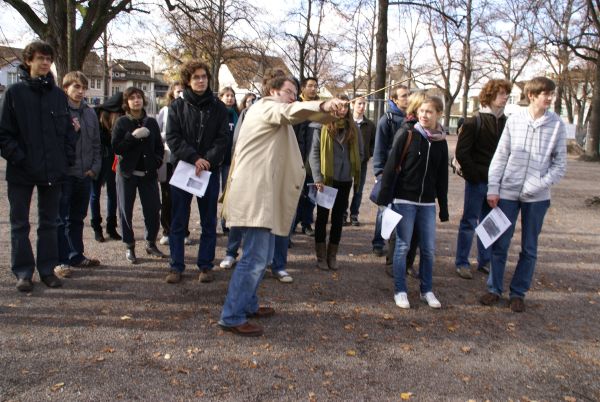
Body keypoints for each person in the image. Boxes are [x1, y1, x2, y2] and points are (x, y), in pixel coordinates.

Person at [218, 74, 346, 337]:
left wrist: (329, 111)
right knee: (254, 259)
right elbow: (292, 111)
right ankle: (231, 316)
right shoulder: (266, 107)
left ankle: (248, 304)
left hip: (260, 195)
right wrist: (322, 105)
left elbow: (295, 113)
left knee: (260, 257)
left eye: (294, 92)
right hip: (255, 196)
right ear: (272, 90)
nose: (292, 96)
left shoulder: (274, 113)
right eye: (288, 91)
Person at [479, 77, 566, 313]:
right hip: (507, 193)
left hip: (537, 198)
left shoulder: (557, 124)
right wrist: (494, 188)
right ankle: (494, 288)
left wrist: (537, 185)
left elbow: (559, 166)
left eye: (551, 94)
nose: (549, 98)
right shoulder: (515, 120)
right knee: (500, 243)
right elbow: (500, 156)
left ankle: (518, 292)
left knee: (529, 247)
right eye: (544, 93)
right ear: (532, 95)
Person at [0, 41, 75, 291]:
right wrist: (20, 158)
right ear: (28, 60)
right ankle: (23, 272)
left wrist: (66, 160)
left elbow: (67, 134)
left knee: (49, 223)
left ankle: (46, 270)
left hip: (53, 170)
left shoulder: (57, 96)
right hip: (22, 171)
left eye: (48, 59)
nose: (45, 63)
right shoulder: (14, 94)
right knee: (20, 223)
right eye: (40, 58)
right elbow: (4, 135)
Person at [377, 95, 449, 309]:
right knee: (402, 246)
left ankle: (426, 290)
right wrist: (384, 200)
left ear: (438, 114)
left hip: (427, 203)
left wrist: (443, 207)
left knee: (428, 249)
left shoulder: (441, 142)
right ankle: (400, 290)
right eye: (422, 111)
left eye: (430, 111)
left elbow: (442, 177)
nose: (425, 115)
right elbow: (390, 168)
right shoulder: (407, 133)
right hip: (403, 200)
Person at [164, 60, 229, 284]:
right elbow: (173, 137)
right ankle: (176, 266)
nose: (201, 81)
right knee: (178, 220)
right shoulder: (177, 107)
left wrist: (207, 160)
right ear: (188, 82)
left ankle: (205, 266)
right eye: (196, 78)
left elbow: (223, 139)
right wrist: (194, 158)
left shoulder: (219, 108)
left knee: (208, 221)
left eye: (204, 77)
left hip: (209, 171)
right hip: (184, 169)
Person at [454, 79, 511, 279]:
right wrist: (475, 177)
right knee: (469, 222)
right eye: (502, 93)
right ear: (490, 95)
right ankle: (462, 262)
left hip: (497, 183)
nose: (505, 97)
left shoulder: (507, 122)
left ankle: (484, 261)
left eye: (506, 94)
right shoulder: (473, 121)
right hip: (477, 181)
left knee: (490, 222)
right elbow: (462, 153)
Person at [55, 71, 102, 278]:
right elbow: (54, 144)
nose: (81, 92)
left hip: (85, 174)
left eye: (83, 88)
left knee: (77, 218)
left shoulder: (90, 113)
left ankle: (76, 255)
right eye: (76, 87)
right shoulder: (58, 112)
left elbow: (96, 144)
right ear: (66, 88)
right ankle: (61, 261)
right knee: (62, 218)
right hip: (66, 174)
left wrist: (95, 168)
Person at [112, 87, 166, 264]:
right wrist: (132, 137)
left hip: (148, 174)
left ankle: (150, 243)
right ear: (127, 102)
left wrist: (156, 161)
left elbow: (159, 145)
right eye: (132, 98)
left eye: (139, 97)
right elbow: (116, 147)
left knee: (152, 210)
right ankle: (129, 245)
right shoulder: (121, 123)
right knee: (125, 210)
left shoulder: (151, 122)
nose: (137, 100)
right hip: (127, 174)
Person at [309, 94, 362, 270]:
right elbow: (314, 154)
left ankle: (333, 255)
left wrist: (351, 168)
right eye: (339, 106)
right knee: (322, 218)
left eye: (345, 106)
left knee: (338, 218)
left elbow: (361, 152)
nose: (342, 110)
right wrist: (318, 178)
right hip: (325, 180)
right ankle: (321, 256)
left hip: (345, 180)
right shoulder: (321, 127)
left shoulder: (353, 128)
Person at [372, 85, 410, 256]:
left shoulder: (411, 119)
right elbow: (379, 147)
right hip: (388, 171)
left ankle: (395, 242)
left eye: (408, 95)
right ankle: (378, 243)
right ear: (394, 99)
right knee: (383, 209)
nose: (407, 98)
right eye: (403, 96)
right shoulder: (386, 120)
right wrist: (379, 172)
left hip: (404, 172)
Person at [156, 82, 191, 246]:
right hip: (169, 159)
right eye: (178, 91)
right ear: (172, 93)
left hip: (185, 160)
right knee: (167, 197)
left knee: (185, 199)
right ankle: (167, 230)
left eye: (184, 91)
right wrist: (170, 134)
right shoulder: (165, 110)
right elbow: (158, 134)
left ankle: (184, 231)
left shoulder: (190, 111)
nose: (181, 94)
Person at [90, 92, 123, 243]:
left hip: (112, 159)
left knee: (112, 193)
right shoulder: (98, 116)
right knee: (95, 194)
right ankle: (97, 228)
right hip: (99, 159)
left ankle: (111, 227)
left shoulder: (120, 118)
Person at [293, 76, 321, 237]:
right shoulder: (297, 106)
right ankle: (293, 222)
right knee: (297, 193)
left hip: (313, 157)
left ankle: (307, 222)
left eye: (315, 86)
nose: (313, 89)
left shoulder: (319, 107)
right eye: (310, 86)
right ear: (302, 88)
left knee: (311, 193)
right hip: (298, 155)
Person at [344, 96, 376, 226]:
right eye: (359, 104)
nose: (362, 106)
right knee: (345, 188)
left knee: (358, 190)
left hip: (361, 163)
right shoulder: (346, 123)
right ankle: (342, 213)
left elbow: (374, 143)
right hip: (345, 163)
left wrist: (368, 155)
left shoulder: (370, 125)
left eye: (364, 104)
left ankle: (354, 214)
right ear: (352, 105)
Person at [218, 86, 239, 234]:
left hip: (230, 161)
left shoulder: (237, 115)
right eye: (226, 95)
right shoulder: (216, 113)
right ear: (221, 97)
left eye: (232, 95)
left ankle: (225, 222)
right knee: (211, 194)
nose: (230, 98)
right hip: (215, 160)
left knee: (228, 194)